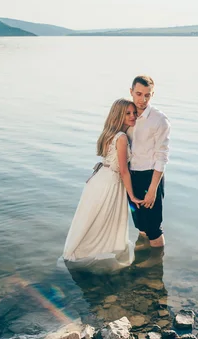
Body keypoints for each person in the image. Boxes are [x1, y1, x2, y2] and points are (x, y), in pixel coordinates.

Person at [62, 98, 142, 273]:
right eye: (128, 113)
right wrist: (132, 195)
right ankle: (95, 252)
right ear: (119, 115)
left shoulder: (109, 134)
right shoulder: (121, 138)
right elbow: (123, 171)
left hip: (99, 179)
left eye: (134, 113)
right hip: (111, 183)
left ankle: (81, 250)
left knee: (94, 219)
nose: (133, 116)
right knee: (104, 220)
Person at [127, 75, 171, 268]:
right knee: (140, 224)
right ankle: (142, 254)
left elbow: (162, 156)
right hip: (131, 176)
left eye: (147, 95)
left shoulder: (159, 120)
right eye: (138, 94)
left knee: (154, 228)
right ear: (131, 92)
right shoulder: (126, 114)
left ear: (152, 95)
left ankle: (156, 263)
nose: (142, 100)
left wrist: (153, 188)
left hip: (150, 177)